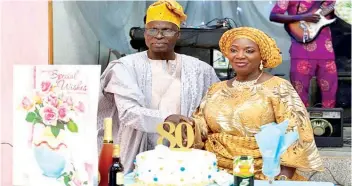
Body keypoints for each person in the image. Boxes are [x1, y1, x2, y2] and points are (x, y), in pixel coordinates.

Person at [167, 27, 324, 181]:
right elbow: (202, 126)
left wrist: (283, 176)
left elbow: (296, 131)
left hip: (264, 172)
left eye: (249, 51)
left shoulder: (278, 87)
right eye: (234, 50)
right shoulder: (216, 89)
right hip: (213, 170)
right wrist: (184, 122)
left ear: (262, 55)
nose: (239, 56)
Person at [97, 0, 219, 173]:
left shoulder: (201, 70)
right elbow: (128, 112)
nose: (159, 35)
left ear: (178, 34)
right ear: (145, 33)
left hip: (185, 156)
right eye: (152, 29)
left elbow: (213, 112)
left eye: (167, 30)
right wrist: (168, 118)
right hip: (134, 151)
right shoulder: (124, 67)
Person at [269, 0, 338, 108]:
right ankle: (301, 122)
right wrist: (303, 17)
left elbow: (342, 13)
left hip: (326, 50)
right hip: (300, 49)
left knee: (330, 92)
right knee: (299, 94)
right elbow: (274, 15)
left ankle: (328, 123)